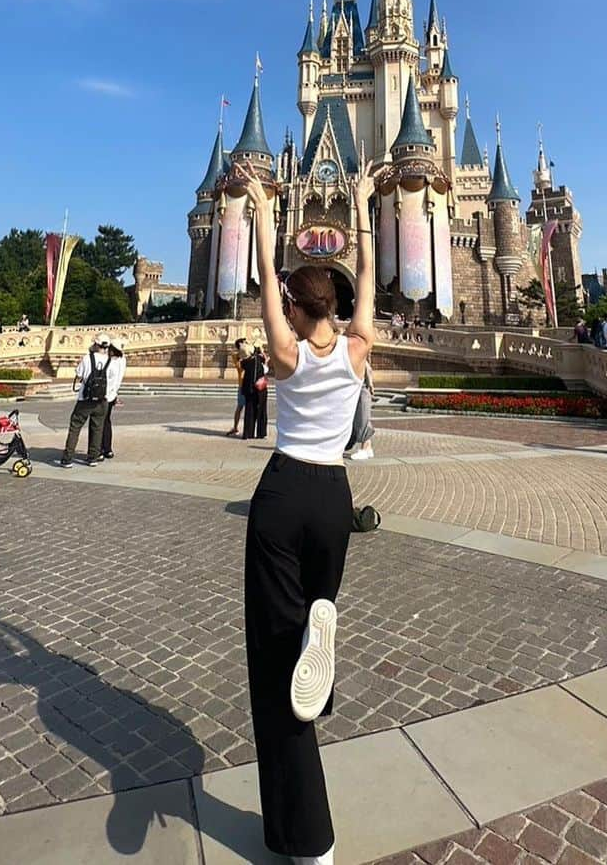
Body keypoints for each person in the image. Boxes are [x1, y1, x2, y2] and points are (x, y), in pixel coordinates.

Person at [242, 162, 375, 865]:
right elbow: (371, 284)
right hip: (335, 498)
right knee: (305, 636)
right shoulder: (357, 351)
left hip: (285, 490)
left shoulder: (286, 358)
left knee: (273, 661)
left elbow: (266, 271)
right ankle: (318, 641)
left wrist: (264, 207)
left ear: (295, 307)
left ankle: (308, 842)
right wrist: (361, 209)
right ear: (339, 306)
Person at [59, 334, 115, 468]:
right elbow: (112, 381)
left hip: (85, 399)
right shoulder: (110, 361)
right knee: (97, 428)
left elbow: (79, 373)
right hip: (102, 400)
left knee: (75, 426)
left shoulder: (87, 358)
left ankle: (68, 458)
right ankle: (92, 457)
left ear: (96, 344)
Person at [99, 341, 127, 460]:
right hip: (112, 394)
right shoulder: (122, 360)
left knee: (99, 422)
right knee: (106, 421)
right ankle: (107, 449)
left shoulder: (109, 361)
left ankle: (99, 450)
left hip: (103, 394)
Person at [346, 361, 375, 460]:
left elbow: (364, 362)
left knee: (362, 412)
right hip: (355, 378)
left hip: (359, 379)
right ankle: (367, 445)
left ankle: (366, 446)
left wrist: (369, 380)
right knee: (359, 413)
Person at [241, 345, 269, 441]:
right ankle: (261, 432)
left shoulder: (245, 362)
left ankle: (248, 432)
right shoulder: (260, 359)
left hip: (249, 389)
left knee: (249, 410)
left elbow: (242, 365)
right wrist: (262, 352)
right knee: (262, 410)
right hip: (260, 388)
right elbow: (266, 368)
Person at [227, 338, 249, 437]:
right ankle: (235, 427)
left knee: (249, 408)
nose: (247, 344)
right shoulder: (237, 356)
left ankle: (248, 429)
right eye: (245, 343)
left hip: (249, 384)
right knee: (240, 407)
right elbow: (240, 366)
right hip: (242, 385)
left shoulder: (250, 355)